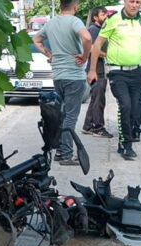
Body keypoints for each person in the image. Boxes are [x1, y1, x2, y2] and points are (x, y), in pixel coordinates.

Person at [87, 0, 141, 160]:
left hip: (136, 71)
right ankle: (127, 145)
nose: (134, 5)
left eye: (138, 2)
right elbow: (97, 45)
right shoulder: (113, 20)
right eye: (131, 1)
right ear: (125, 2)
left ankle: (123, 141)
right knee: (125, 105)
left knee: (133, 109)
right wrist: (92, 70)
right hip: (117, 71)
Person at [34, 0, 92, 166]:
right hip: (74, 76)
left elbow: (37, 40)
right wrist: (85, 56)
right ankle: (66, 153)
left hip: (58, 75)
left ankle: (60, 150)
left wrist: (49, 54)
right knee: (71, 116)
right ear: (76, 6)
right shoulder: (75, 21)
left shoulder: (51, 23)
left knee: (62, 114)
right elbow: (87, 38)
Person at [81, 7, 113, 139]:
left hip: (100, 70)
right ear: (95, 17)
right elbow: (93, 50)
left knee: (96, 98)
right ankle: (98, 128)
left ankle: (87, 126)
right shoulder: (94, 30)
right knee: (99, 100)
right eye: (103, 13)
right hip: (96, 70)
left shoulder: (101, 30)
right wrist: (109, 55)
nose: (106, 16)